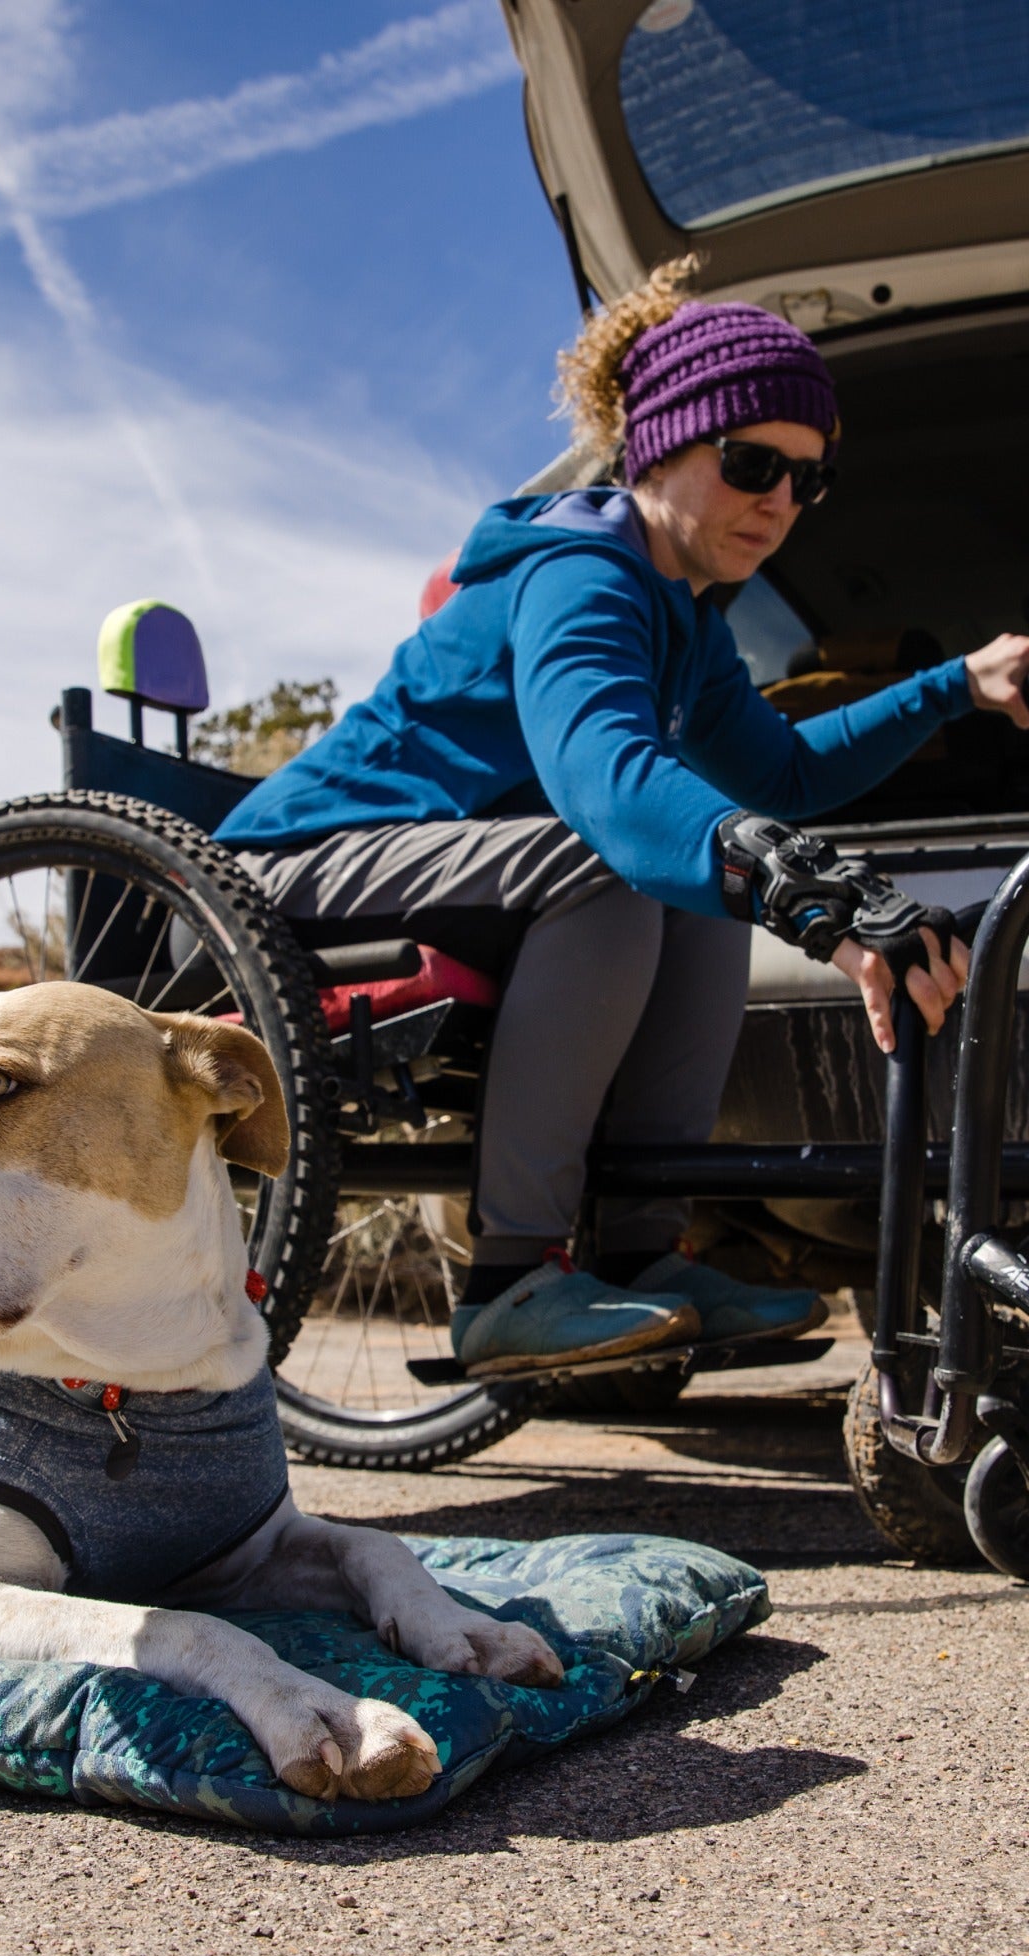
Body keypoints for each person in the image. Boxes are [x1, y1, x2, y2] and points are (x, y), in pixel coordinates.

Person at [213, 260, 1029, 1377]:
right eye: (750, 464)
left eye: (808, 479)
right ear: (656, 447)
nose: (779, 502)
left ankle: (643, 1252)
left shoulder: (685, 623)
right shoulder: (580, 571)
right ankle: (509, 1278)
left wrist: (952, 686)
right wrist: (822, 904)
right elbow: (606, 777)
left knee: (691, 886)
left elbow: (779, 775)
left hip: (439, 872)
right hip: (281, 870)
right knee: (608, 860)